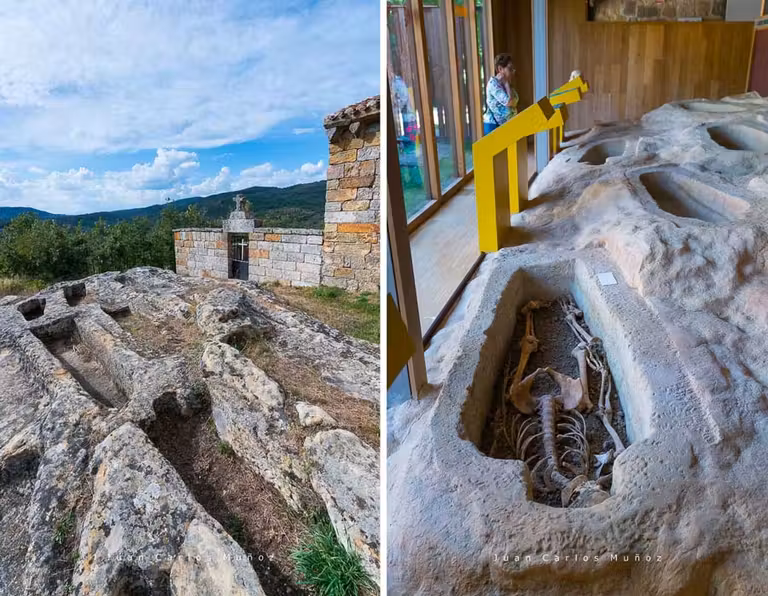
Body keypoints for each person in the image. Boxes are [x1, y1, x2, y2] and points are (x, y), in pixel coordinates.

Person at [483, 53, 519, 135]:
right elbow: (509, 102)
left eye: (513, 69)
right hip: (493, 126)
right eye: (510, 69)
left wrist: (507, 85)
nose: (512, 72)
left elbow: (516, 99)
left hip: (505, 125)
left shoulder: (507, 85)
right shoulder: (493, 84)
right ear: (500, 69)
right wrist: (506, 84)